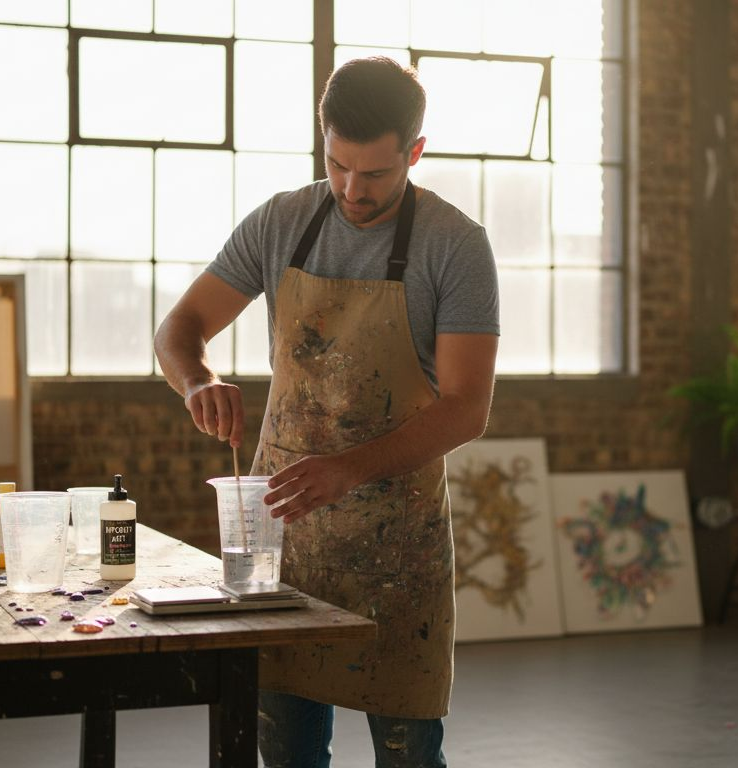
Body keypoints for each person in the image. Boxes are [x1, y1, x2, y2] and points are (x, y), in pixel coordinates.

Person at [154, 56, 499, 767]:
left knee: (408, 755)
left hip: (397, 547)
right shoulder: (282, 221)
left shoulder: (455, 246)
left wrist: (350, 468)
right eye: (337, 165)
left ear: (415, 152)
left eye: (374, 174)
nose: (351, 189)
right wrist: (196, 383)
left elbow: (467, 409)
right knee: (284, 754)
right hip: (284, 543)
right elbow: (177, 330)